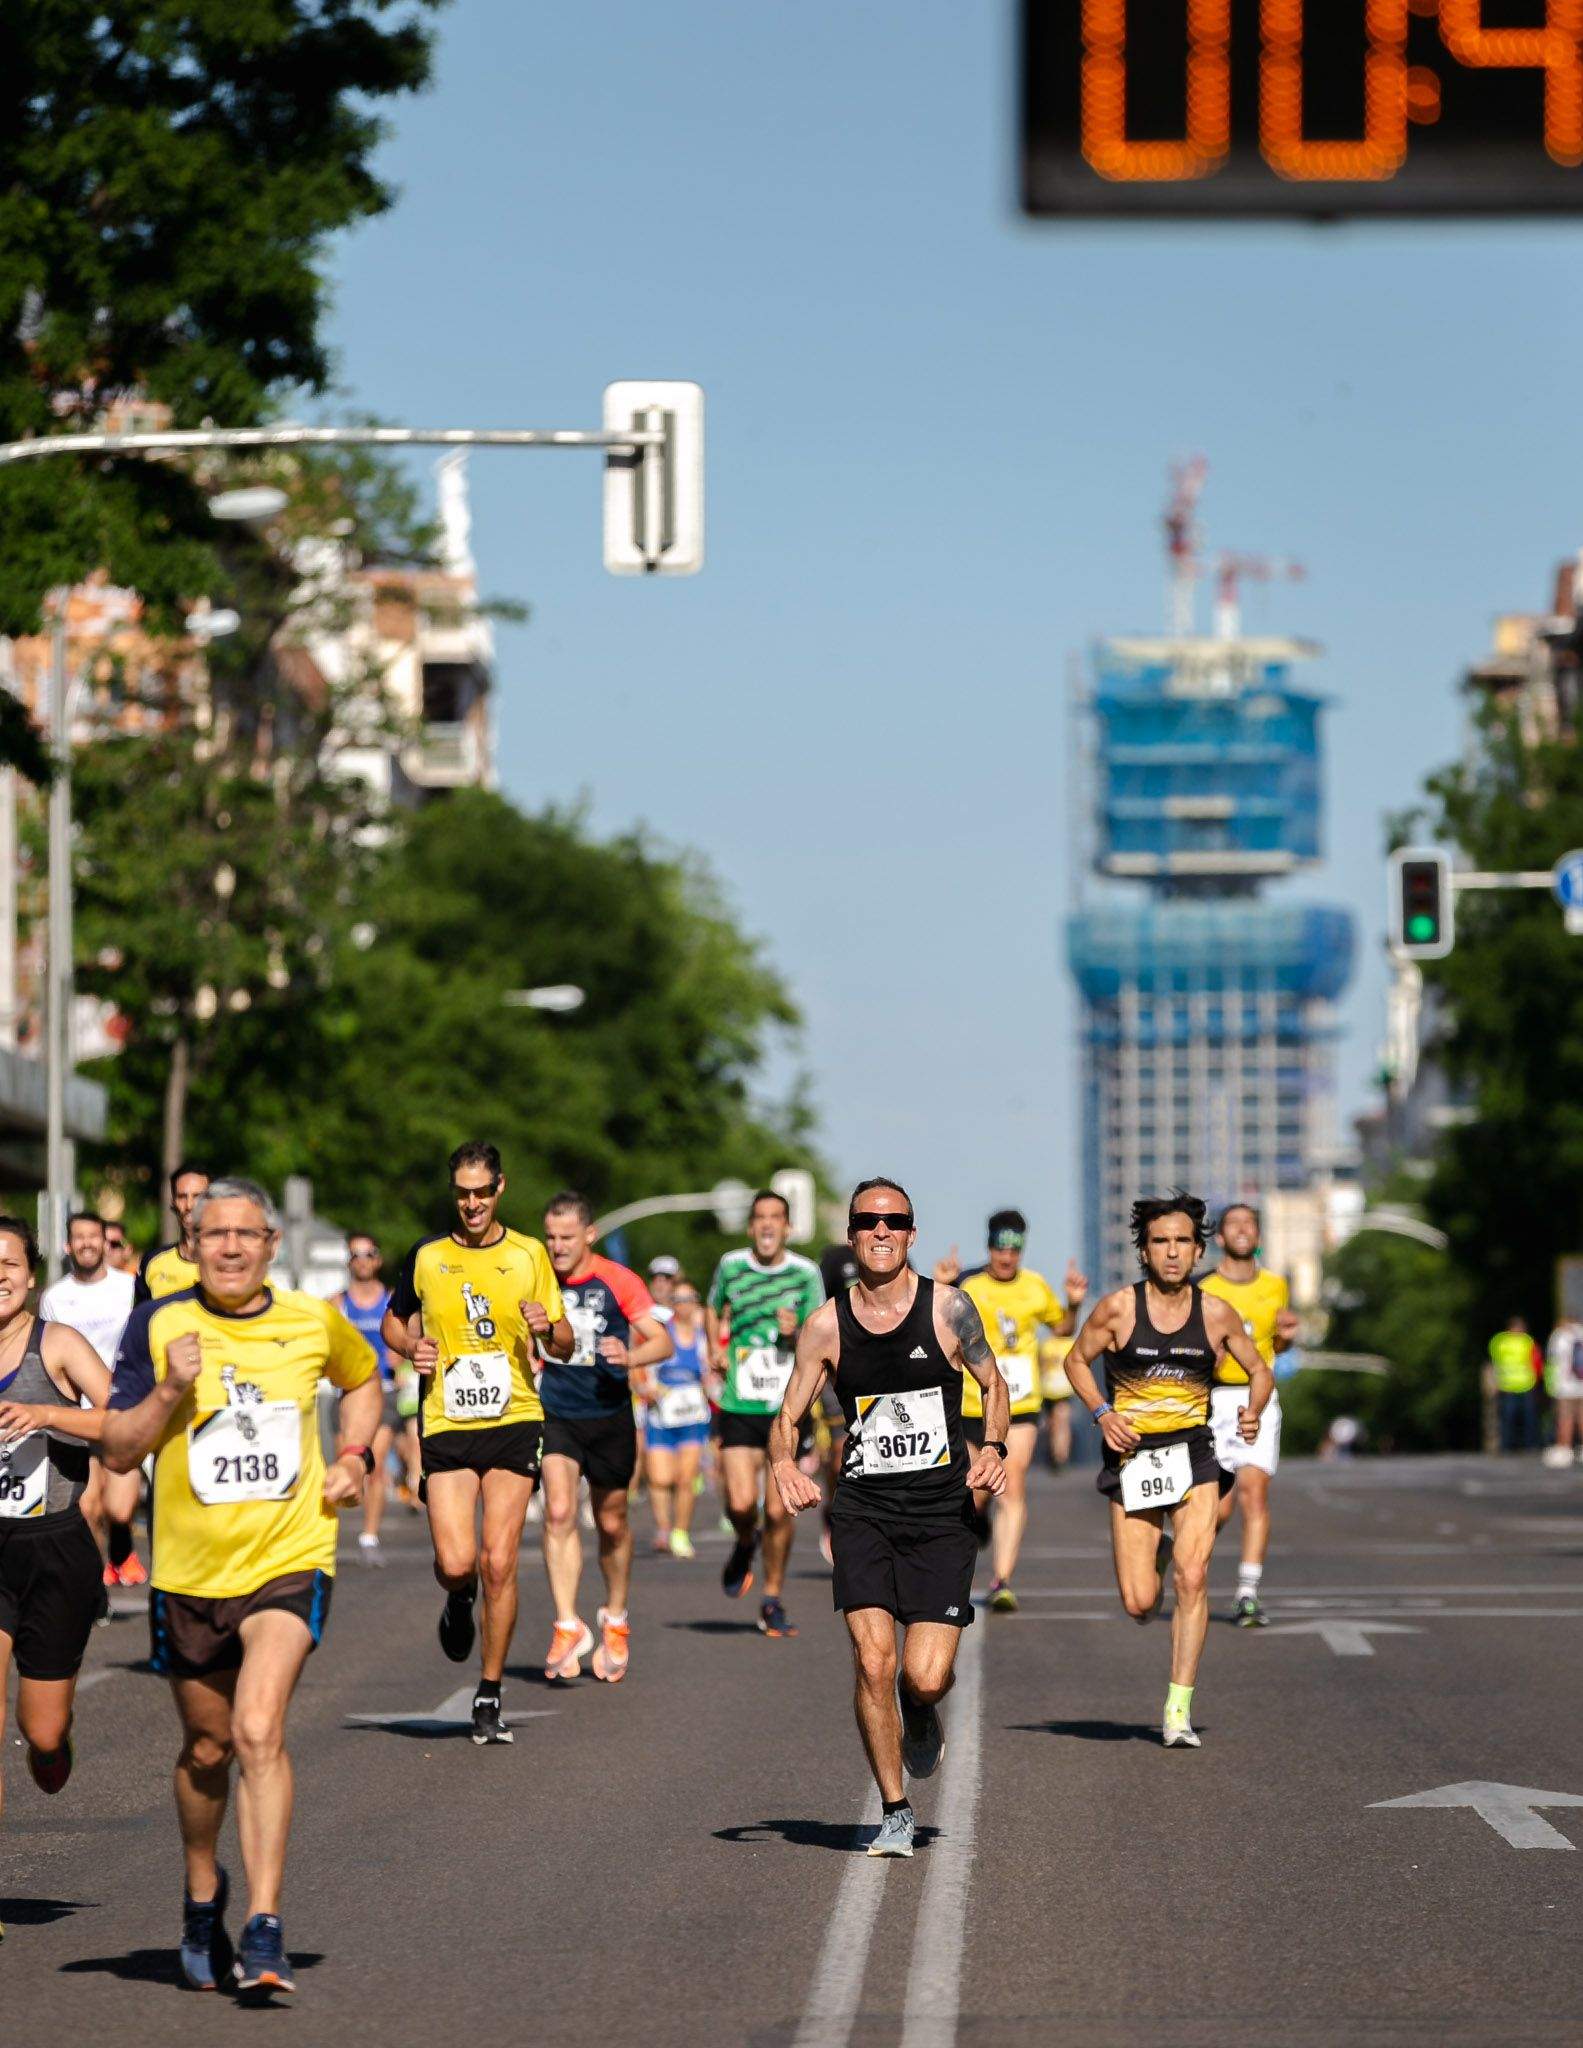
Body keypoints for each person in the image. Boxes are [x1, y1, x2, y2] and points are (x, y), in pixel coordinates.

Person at [102, 1177, 380, 1998]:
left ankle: (263, 1928)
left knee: (260, 1728)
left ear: (271, 1246)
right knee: (207, 1749)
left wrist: (355, 1458)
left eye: (244, 1234)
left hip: (289, 1559)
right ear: (191, 1244)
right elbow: (118, 1452)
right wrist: (165, 1391)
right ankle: (201, 1896)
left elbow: (362, 1381)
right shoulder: (159, 1324)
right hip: (188, 1574)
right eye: (212, 1233)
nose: (228, 1246)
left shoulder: (311, 1320)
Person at [770, 1179, 1010, 1858]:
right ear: (851, 1234)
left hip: (940, 1513)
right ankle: (894, 1809)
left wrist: (992, 1448)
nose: (881, 1230)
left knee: (922, 1675)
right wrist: (783, 1465)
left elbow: (995, 1384)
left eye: (894, 1220)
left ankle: (922, 1709)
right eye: (868, 1221)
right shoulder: (825, 1326)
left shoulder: (948, 1311)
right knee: (873, 1661)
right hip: (864, 1511)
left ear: (911, 1232)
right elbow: (786, 1417)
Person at [1063, 1192, 1273, 1749]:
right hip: (1133, 1459)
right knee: (1138, 1604)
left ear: (1199, 1249)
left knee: (1194, 1576)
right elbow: (1075, 1361)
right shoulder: (1117, 1310)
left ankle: (1177, 1708)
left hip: (1195, 1455)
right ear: (1145, 1251)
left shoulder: (1216, 1313)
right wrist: (1102, 1413)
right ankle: (1157, 1551)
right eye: (1161, 1242)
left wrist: (1251, 1411)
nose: (1173, 1253)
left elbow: (1259, 1370)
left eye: (1182, 1242)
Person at [382, 1143, 573, 1745]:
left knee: (499, 1561)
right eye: (462, 1192)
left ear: (499, 1190)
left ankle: (489, 1690)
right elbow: (394, 1319)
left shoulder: (528, 1254)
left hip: (514, 1416)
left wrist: (549, 1328)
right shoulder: (426, 1256)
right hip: (446, 1422)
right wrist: (408, 1347)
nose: (471, 1203)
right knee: (456, 1563)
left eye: (482, 1192)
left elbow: (564, 1344)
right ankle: (456, 1597)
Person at [0, 1215, 116, 1940]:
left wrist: (44, 1414)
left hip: (54, 1550)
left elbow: (125, 1421)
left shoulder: (58, 1345)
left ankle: (54, 1742)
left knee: (39, 1733)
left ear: (30, 1274)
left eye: (5, 1263)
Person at [538, 1194, 672, 1682]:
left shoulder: (618, 1280)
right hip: (556, 1411)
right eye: (550, 1237)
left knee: (611, 1522)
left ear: (589, 1235)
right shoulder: (537, 1275)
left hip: (610, 1414)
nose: (557, 1247)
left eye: (567, 1238)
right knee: (557, 1511)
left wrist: (630, 1356)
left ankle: (615, 1618)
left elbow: (663, 1341)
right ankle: (567, 1622)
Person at [934, 1212, 1085, 1612]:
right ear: (988, 1247)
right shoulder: (969, 1284)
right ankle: (976, 1522)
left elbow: (1063, 1329)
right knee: (975, 1487)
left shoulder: (1035, 1287)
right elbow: (937, 1325)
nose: (1006, 1256)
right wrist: (945, 1286)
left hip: (1020, 1402)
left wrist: (1074, 1303)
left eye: (1014, 1248)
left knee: (1011, 1479)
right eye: (1000, 1247)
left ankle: (1001, 1579)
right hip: (971, 1402)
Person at [707, 1190, 824, 1638]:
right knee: (740, 1503)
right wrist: (712, 1347)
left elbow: (822, 1336)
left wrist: (799, 1335)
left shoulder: (805, 1273)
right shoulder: (731, 1265)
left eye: (776, 1217)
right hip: (739, 1401)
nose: (768, 1225)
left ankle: (772, 1597)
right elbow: (712, 1308)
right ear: (751, 1226)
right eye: (760, 1218)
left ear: (788, 1227)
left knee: (779, 1511)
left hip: (787, 1409)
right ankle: (743, 1539)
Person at [1201, 1203, 1299, 1627]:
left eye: (1250, 1224)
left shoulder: (1276, 1285)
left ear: (1258, 1236)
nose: (1243, 1230)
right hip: (1215, 1400)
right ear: (1220, 1237)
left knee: (1254, 1493)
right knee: (1218, 1508)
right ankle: (1184, 1561)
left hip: (1259, 1397)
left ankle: (1247, 1592)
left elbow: (1277, 1348)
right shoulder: (1203, 1287)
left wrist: (1286, 1339)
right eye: (1234, 1224)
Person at [40, 1211, 142, 1588]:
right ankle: (94, 1586)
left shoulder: (129, 1287)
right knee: (86, 1507)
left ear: (105, 1241)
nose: (86, 1243)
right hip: (78, 1417)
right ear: (68, 1245)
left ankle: (120, 1549)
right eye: (78, 1237)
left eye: (93, 1236)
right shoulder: (56, 1298)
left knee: (119, 1507)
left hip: (123, 1410)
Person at [335, 1233, 396, 1565]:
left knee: (374, 1464)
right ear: (348, 1261)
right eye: (355, 1255)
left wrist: (402, 1353)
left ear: (378, 1260)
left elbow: (408, 1338)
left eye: (368, 1253)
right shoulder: (336, 1304)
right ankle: (327, 1536)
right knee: (346, 1466)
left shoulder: (390, 1300)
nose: (362, 1260)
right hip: (345, 1394)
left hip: (383, 1391)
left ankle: (369, 1535)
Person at [643, 1278, 711, 1558]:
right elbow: (642, 1369)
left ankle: (680, 1532)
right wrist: (648, 1388)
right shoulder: (660, 1333)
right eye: (678, 1300)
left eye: (688, 1299)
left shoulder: (701, 1336)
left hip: (692, 1417)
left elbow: (710, 1372)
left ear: (695, 1303)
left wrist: (711, 1383)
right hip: (661, 1417)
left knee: (685, 1479)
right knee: (659, 1479)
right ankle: (663, 1526)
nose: (683, 1305)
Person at [134, 1163, 211, 1304]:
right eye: (182, 1197)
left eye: (198, 1197)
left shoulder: (227, 1261)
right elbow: (141, 1320)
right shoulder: (152, 1261)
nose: (189, 1205)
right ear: (173, 1202)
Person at [1489, 1316, 1542, 1453]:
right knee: (1508, 1418)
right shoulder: (1500, 1341)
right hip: (1507, 1385)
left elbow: (1536, 1361)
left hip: (1526, 1384)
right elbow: (1496, 1363)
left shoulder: (1527, 1341)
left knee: (1529, 1417)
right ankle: (1506, 1446)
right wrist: (1494, 1382)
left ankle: (1530, 1445)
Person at [1542, 1313, 1583, 1468]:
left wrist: (1551, 1385)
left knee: (1565, 1418)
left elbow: (1553, 1361)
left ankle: (1564, 1448)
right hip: (1581, 1384)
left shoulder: (1560, 1336)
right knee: (1581, 1417)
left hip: (1566, 1386)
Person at [1040, 1332, 1076, 1470]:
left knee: (1062, 1423)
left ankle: (1061, 1456)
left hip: (1063, 1391)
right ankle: (1056, 1454)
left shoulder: (1069, 1344)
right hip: (1048, 1390)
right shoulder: (1045, 1344)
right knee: (1053, 1425)